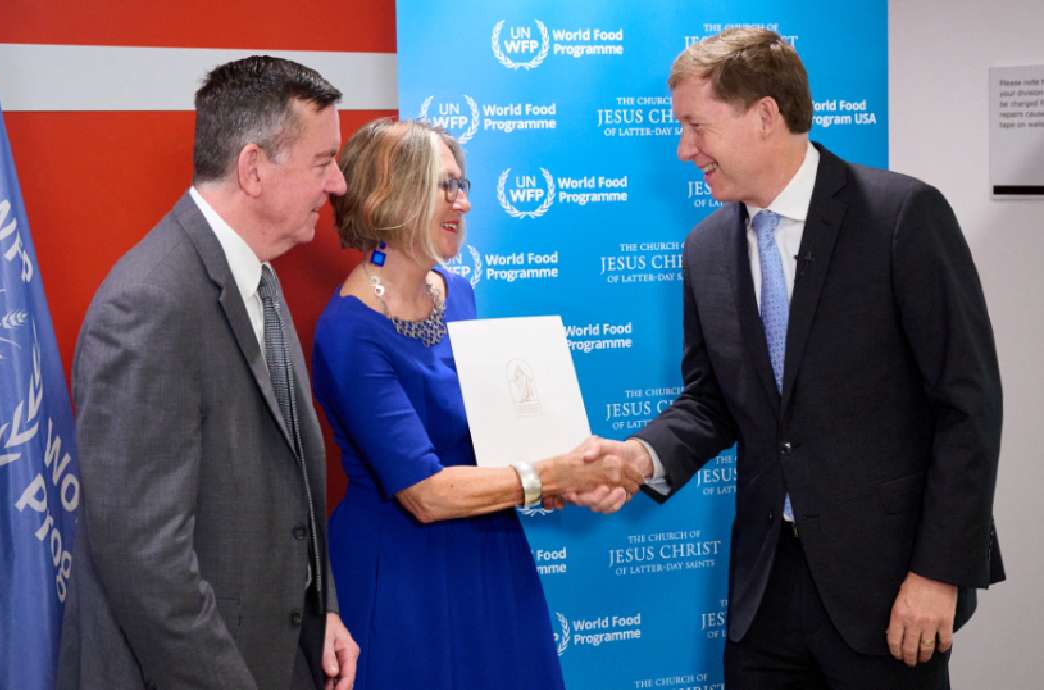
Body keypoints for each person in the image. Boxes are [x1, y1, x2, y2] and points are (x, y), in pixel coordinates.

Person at [595, 27, 1004, 689]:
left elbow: (969, 407)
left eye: (696, 126)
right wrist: (640, 457)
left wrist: (939, 572)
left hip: (890, 589)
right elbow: (711, 402)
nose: (683, 149)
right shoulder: (704, 249)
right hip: (764, 599)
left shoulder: (901, 216)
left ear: (764, 114)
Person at [58, 56, 359, 690]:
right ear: (254, 168)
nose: (336, 185)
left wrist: (321, 606)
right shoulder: (149, 304)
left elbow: (290, 483)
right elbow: (146, 560)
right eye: (322, 162)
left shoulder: (261, 275)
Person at [311, 119, 642, 690]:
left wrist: (565, 478)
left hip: (490, 554)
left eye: (463, 185)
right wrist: (544, 477)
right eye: (445, 186)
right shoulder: (349, 331)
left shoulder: (455, 292)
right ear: (391, 194)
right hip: (403, 575)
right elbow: (426, 494)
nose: (462, 202)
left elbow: (489, 439)